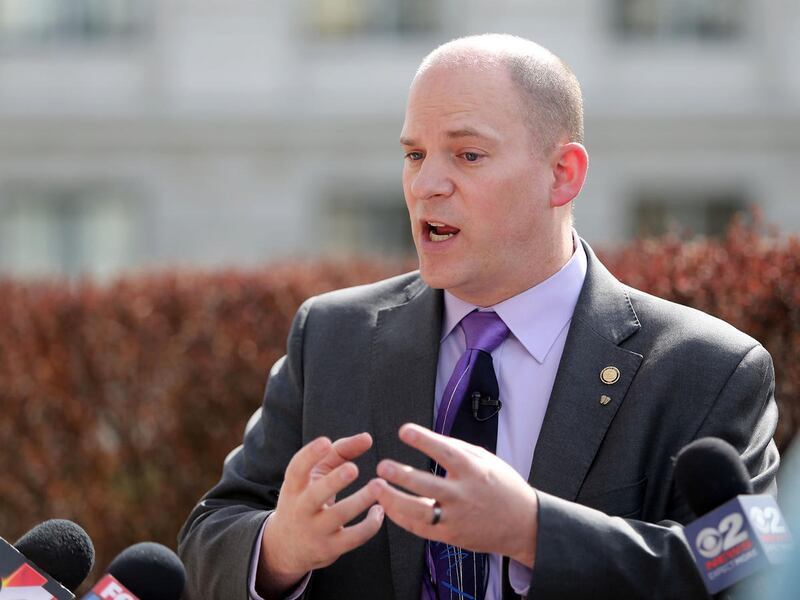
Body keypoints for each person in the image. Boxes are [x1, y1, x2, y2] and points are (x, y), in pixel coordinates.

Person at [178, 34, 779, 600]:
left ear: (562, 174)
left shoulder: (708, 369)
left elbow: (748, 563)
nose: (426, 185)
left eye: (467, 154)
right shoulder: (332, 336)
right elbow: (210, 536)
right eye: (414, 155)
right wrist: (280, 550)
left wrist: (535, 532)